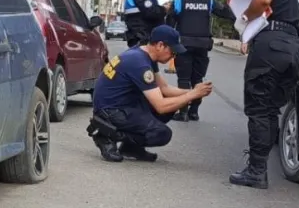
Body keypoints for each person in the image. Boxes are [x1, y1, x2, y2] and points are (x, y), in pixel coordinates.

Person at [229, 0, 299, 189]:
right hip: (292, 49)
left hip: (271, 47)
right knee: (271, 110)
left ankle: (256, 171)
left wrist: (244, 18)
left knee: (258, 109)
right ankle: (260, 165)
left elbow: (263, 0)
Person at [87, 25, 213, 162]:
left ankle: (130, 148)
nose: (173, 56)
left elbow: (164, 88)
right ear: (160, 45)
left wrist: (194, 92)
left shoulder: (144, 55)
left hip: (122, 104)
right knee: (162, 134)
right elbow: (161, 106)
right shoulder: (139, 62)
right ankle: (107, 135)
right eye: (172, 51)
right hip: (111, 110)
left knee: (173, 102)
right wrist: (191, 95)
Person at [166, 0, 236, 122]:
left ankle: (183, 112)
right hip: (202, 46)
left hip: (183, 45)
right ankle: (194, 112)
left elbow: (169, 23)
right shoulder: (209, 1)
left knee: (184, 79)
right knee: (197, 79)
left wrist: (169, 44)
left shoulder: (179, 0)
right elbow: (227, 13)